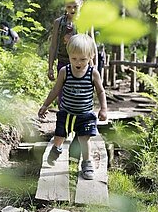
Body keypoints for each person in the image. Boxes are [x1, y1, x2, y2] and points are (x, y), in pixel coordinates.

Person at [38, 34, 107, 180]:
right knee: (59, 136)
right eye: (74, 58)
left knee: (84, 139)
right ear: (69, 55)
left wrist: (104, 108)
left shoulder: (93, 73)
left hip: (85, 115)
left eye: (83, 59)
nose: (78, 62)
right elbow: (55, 90)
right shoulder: (65, 71)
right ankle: (56, 149)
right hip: (66, 113)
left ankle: (87, 163)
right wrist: (45, 105)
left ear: (91, 56)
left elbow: (100, 91)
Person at [47, 0, 98, 105]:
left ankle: (79, 117)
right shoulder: (59, 23)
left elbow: (92, 43)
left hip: (83, 63)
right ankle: (63, 116)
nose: (72, 10)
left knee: (81, 92)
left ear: (82, 4)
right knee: (62, 92)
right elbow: (53, 46)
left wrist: (95, 65)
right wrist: (50, 67)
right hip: (64, 61)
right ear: (65, 6)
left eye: (75, 6)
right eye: (69, 7)